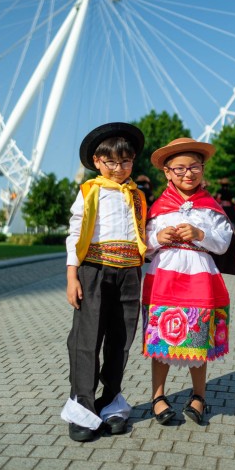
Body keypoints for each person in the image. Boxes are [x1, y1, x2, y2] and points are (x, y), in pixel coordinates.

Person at [142, 137, 235, 425]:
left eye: (194, 167)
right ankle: (157, 396)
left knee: (197, 338)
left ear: (203, 169)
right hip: (163, 279)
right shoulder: (159, 207)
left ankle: (199, 395)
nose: (188, 173)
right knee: (162, 340)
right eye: (180, 168)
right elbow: (144, 244)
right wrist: (156, 238)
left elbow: (223, 243)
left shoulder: (211, 208)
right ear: (167, 172)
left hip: (201, 279)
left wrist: (200, 234)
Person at [61, 122, 147, 442]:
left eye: (126, 161)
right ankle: (82, 407)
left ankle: (110, 401)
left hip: (129, 274)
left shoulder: (137, 196)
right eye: (111, 162)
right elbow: (74, 235)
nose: (119, 168)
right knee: (87, 339)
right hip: (94, 271)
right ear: (97, 161)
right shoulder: (90, 191)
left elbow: (141, 236)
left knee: (120, 340)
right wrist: (72, 277)